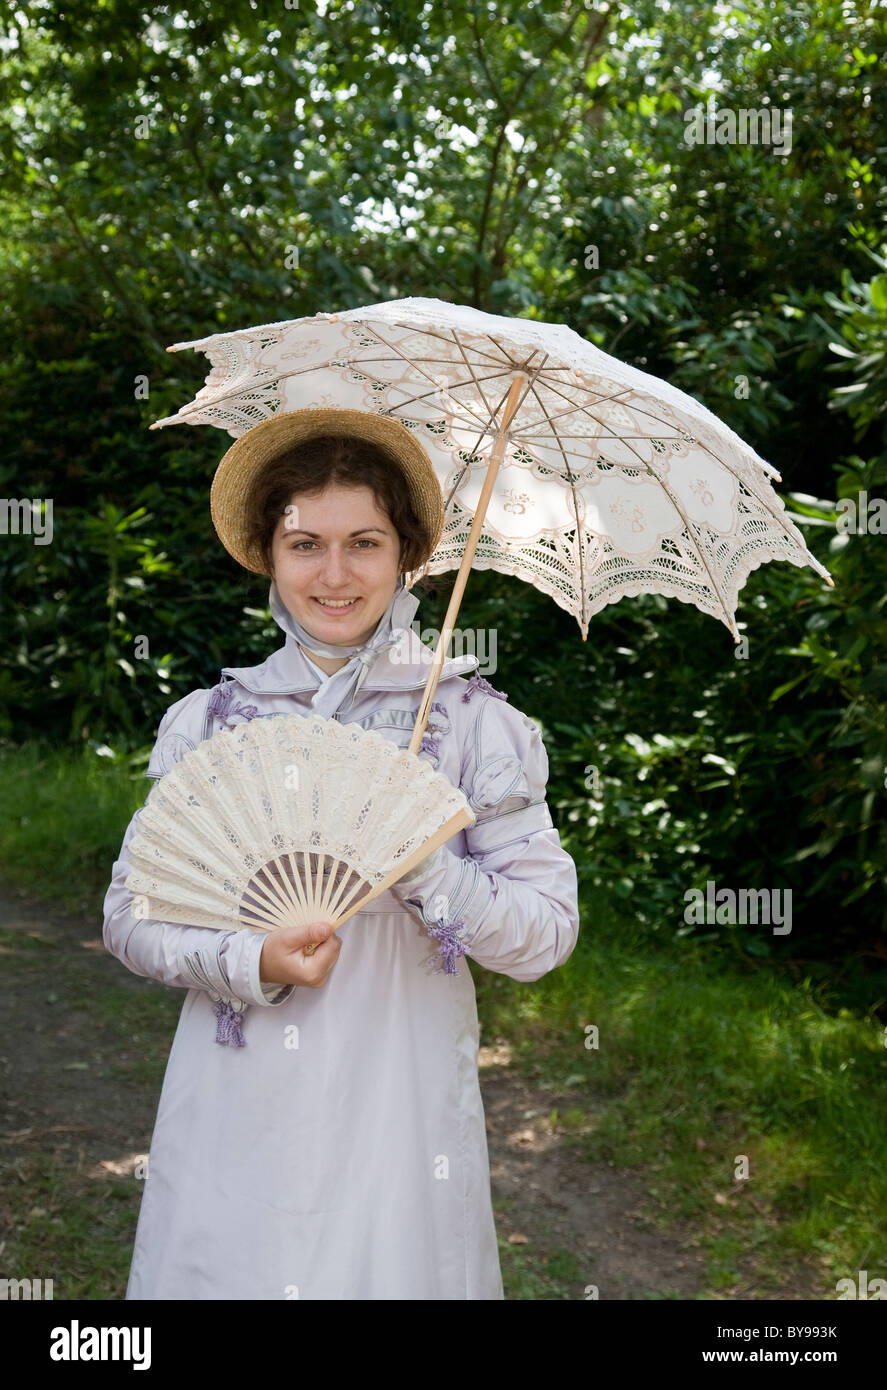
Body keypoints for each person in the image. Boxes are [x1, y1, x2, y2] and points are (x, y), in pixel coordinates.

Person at [102, 406, 580, 1300]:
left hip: (396, 1106)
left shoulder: (475, 725)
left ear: (409, 555)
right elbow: (130, 916)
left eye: (363, 542)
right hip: (234, 1096)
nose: (333, 574)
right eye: (303, 544)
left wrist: (427, 868)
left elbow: (544, 936)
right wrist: (249, 959)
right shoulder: (209, 722)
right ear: (266, 555)